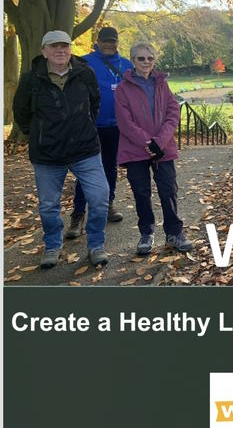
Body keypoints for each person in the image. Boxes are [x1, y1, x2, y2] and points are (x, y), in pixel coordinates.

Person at [13, 30, 109, 269]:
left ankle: (96, 245)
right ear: (44, 51)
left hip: (85, 150)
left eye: (64, 46)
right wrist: (41, 135)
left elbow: (94, 104)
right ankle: (53, 245)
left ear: (70, 48)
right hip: (48, 155)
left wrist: (83, 128)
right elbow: (22, 115)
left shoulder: (85, 73)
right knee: (48, 206)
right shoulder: (30, 80)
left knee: (99, 198)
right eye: (54, 46)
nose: (60, 51)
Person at [114, 42, 193, 256]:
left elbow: (172, 112)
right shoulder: (123, 89)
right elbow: (124, 121)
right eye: (141, 58)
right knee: (141, 193)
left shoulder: (162, 84)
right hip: (135, 150)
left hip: (163, 148)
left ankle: (174, 233)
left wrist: (160, 141)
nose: (146, 62)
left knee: (169, 191)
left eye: (150, 58)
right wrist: (147, 142)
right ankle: (146, 233)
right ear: (133, 61)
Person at [65, 26, 132, 238]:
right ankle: (78, 215)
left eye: (112, 41)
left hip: (116, 127)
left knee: (110, 167)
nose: (109, 44)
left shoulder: (127, 65)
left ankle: (108, 204)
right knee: (87, 170)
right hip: (90, 126)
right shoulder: (83, 62)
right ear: (98, 41)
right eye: (105, 41)